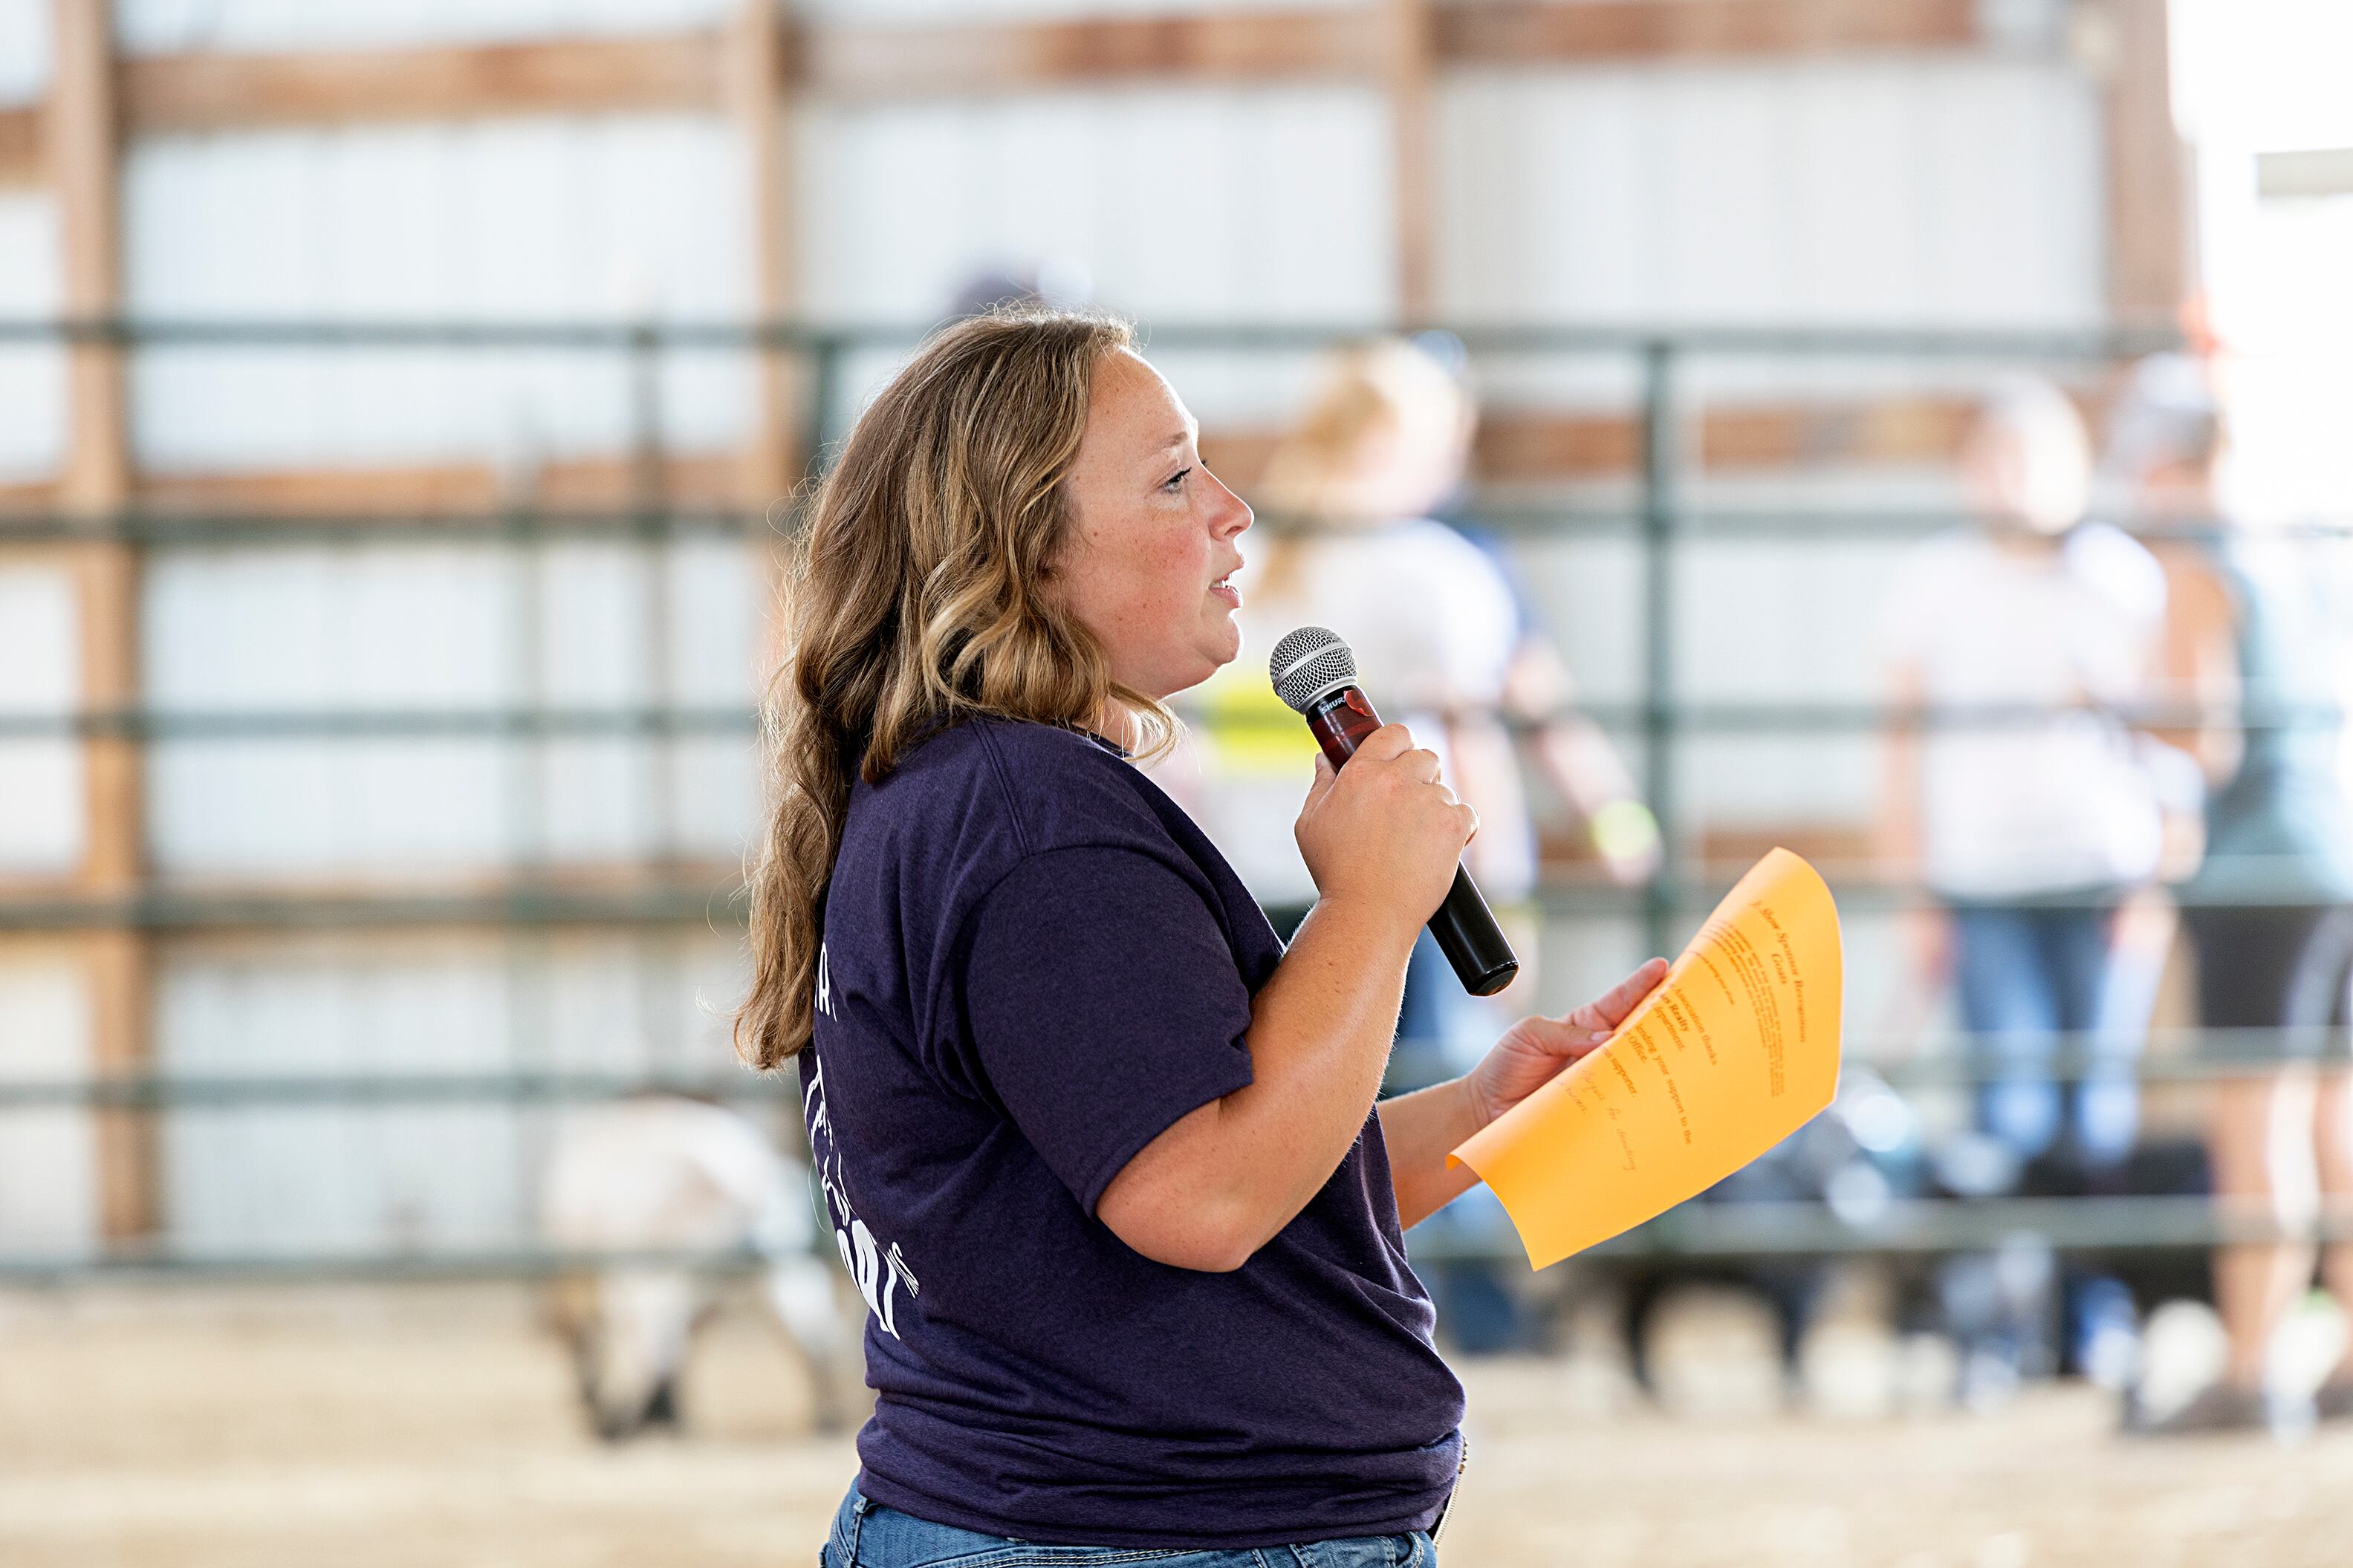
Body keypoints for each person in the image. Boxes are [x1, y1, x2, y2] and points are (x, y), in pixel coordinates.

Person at [734, 308, 1666, 1561]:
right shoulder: (1035, 824)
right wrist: (1372, 906)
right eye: (1175, 478)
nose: (1232, 511)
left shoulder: (970, 794)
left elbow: (1191, 1176)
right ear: (1026, 549)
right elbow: (1207, 1199)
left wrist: (1487, 1111)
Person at [1179, 337, 1658, 1071]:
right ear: (1393, 445)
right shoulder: (1432, 571)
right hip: (1403, 898)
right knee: (1438, 1114)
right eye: (1443, 450)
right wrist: (1506, 907)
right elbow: (1472, 750)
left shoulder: (1238, 560)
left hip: (1257, 898)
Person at [1876, 379, 2173, 1396]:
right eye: (1990, 456)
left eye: (2027, 457)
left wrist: (2158, 878)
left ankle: (2086, 1320)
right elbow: (1898, 733)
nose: (2007, 478)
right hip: (1980, 879)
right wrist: (1911, 884)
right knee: (2002, 1106)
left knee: (2090, 1108)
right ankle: (1996, 1324)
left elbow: (2167, 736)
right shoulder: (1933, 580)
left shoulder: (2117, 578)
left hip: (2099, 872)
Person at [2116, 354, 2353, 1434]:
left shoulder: (2193, 552)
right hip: (2332, 848)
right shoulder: (2293, 543)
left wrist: (2111, 705)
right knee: (2331, 1121)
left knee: (2249, 1122)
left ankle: (2250, 1369)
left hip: (2255, 866)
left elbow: (2199, 732)